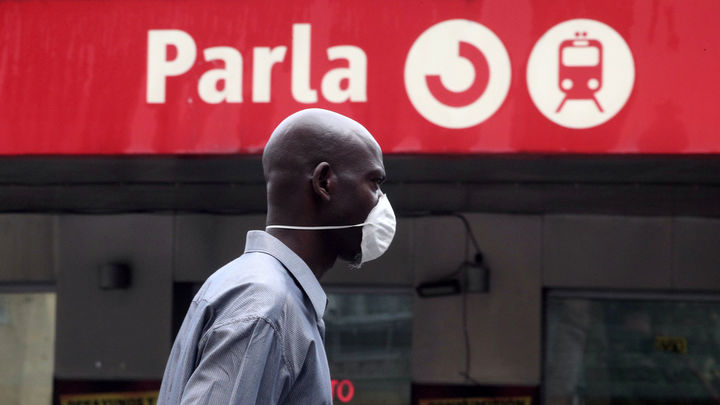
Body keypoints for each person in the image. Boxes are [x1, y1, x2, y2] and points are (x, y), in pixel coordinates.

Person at [157, 108, 396, 405]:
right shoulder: (266, 305)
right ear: (324, 183)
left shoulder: (254, 289)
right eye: (374, 183)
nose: (381, 202)